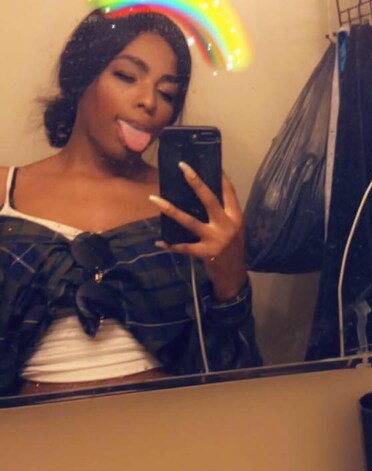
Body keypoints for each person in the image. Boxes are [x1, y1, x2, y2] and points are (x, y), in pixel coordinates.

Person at [0, 10, 261, 396]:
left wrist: (230, 277)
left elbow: (238, 379)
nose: (149, 101)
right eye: (126, 76)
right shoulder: (6, 189)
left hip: (172, 426)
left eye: (167, 93)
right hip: (37, 432)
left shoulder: (186, 202)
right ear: (81, 76)